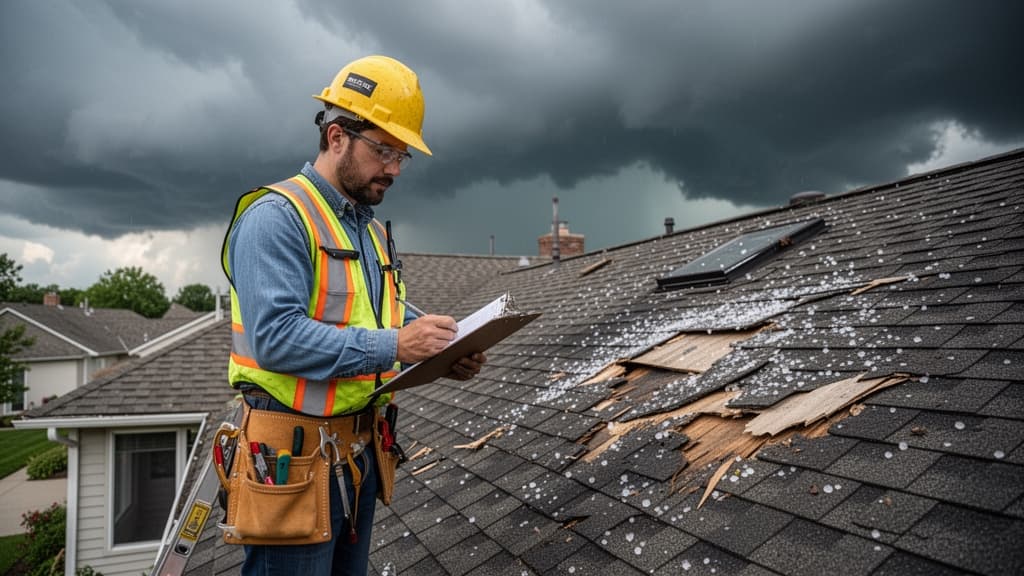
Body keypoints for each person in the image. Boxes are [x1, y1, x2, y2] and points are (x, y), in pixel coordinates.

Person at [221, 55, 486, 576]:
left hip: (355, 454)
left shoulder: (369, 232)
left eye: (401, 155)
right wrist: (398, 346)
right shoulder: (276, 218)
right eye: (383, 150)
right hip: (292, 461)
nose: (394, 168)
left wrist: (441, 352)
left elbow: (379, 323)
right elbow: (276, 339)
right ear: (337, 136)